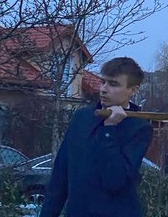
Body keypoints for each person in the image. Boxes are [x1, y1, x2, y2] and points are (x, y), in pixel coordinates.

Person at [40, 57, 153, 217]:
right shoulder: (83, 118)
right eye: (103, 82)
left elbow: (115, 180)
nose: (104, 89)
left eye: (113, 84)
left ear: (133, 90)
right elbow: (60, 175)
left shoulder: (139, 127)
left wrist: (109, 130)